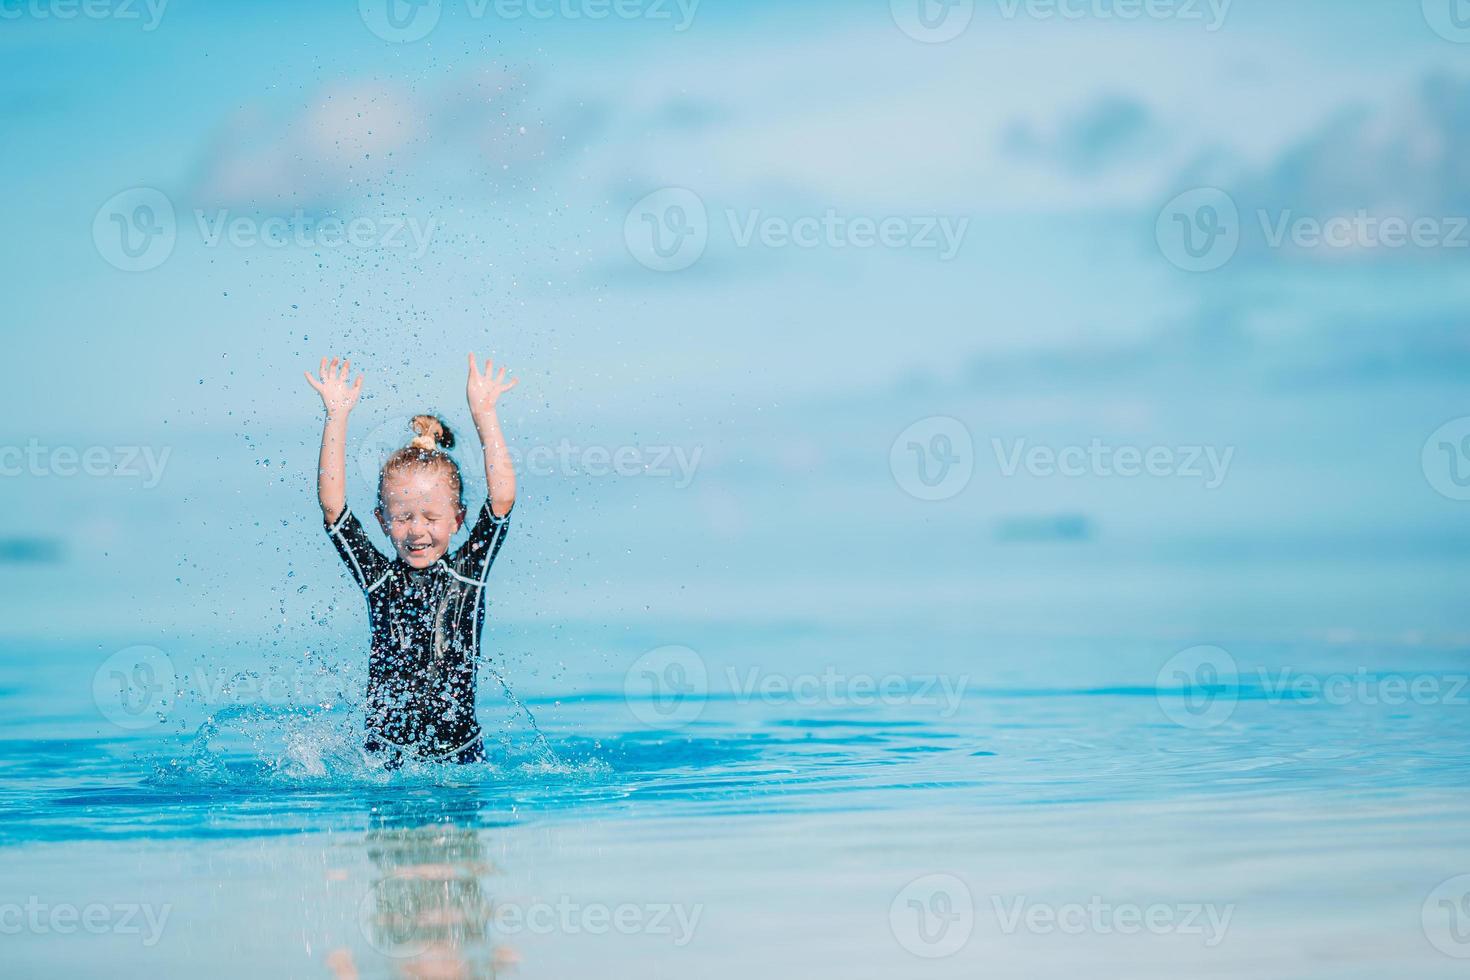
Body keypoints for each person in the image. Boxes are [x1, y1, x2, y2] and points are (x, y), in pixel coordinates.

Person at [304, 353, 518, 765]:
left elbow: (502, 500)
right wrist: (337, 416)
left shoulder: (468, 573)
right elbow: (333, 510)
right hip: (385, 755)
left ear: (457, 520)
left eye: (431, 518)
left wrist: (485, 414)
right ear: (382, 521)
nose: (417, 530)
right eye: (402, 518)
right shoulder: (378, 579)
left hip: (461, 754)